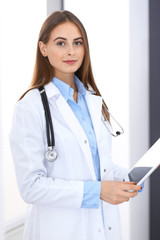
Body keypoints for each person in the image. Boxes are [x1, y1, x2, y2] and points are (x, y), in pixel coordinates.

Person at [9, 10, 142, 240]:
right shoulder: (30, 107)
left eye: (77, 43)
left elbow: (96, 164)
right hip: (58, 230)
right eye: (60, 43)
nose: (71, 51)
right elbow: (31, 186)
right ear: (43, 49)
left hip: (102, 226)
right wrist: (98, 192)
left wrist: (126, 178)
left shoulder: (91, 99)